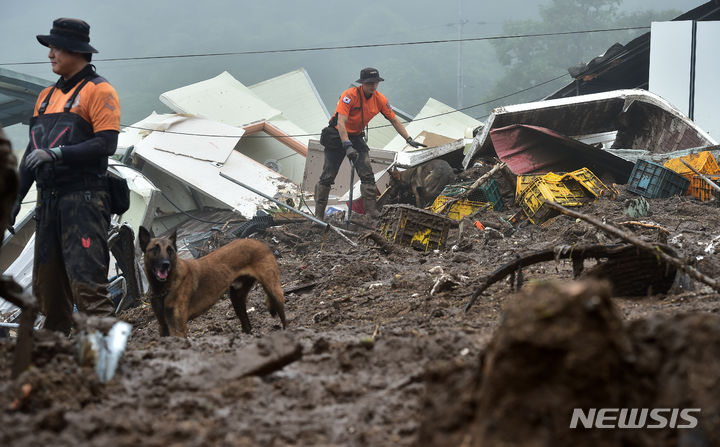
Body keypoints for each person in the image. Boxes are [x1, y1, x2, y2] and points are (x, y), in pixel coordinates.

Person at [9, 18, 121, 334]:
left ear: (75, 50)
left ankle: (108, 372)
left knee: (89, 291)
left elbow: (106, 143)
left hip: (83, 202)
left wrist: (58, 153)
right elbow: (32, 152)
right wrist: (15, 199)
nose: (50, 55)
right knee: (48, 295)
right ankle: (57, 373)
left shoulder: (100, 91)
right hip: (48, 205)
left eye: (55, 48)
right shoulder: (44, 97)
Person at [315, 67, 425, 221]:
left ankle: (371, 212)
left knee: (367, 174)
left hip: (356, 137)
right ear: (362, 83)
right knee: (327, 176)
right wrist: (347, 145)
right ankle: (318, 215)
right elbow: (341, 123)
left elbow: (393, 119)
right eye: (369, 83)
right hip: (337, 135)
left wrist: (408, 138)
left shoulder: (380, 99)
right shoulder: (349, 96)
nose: (372, 86)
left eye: (375, 82)